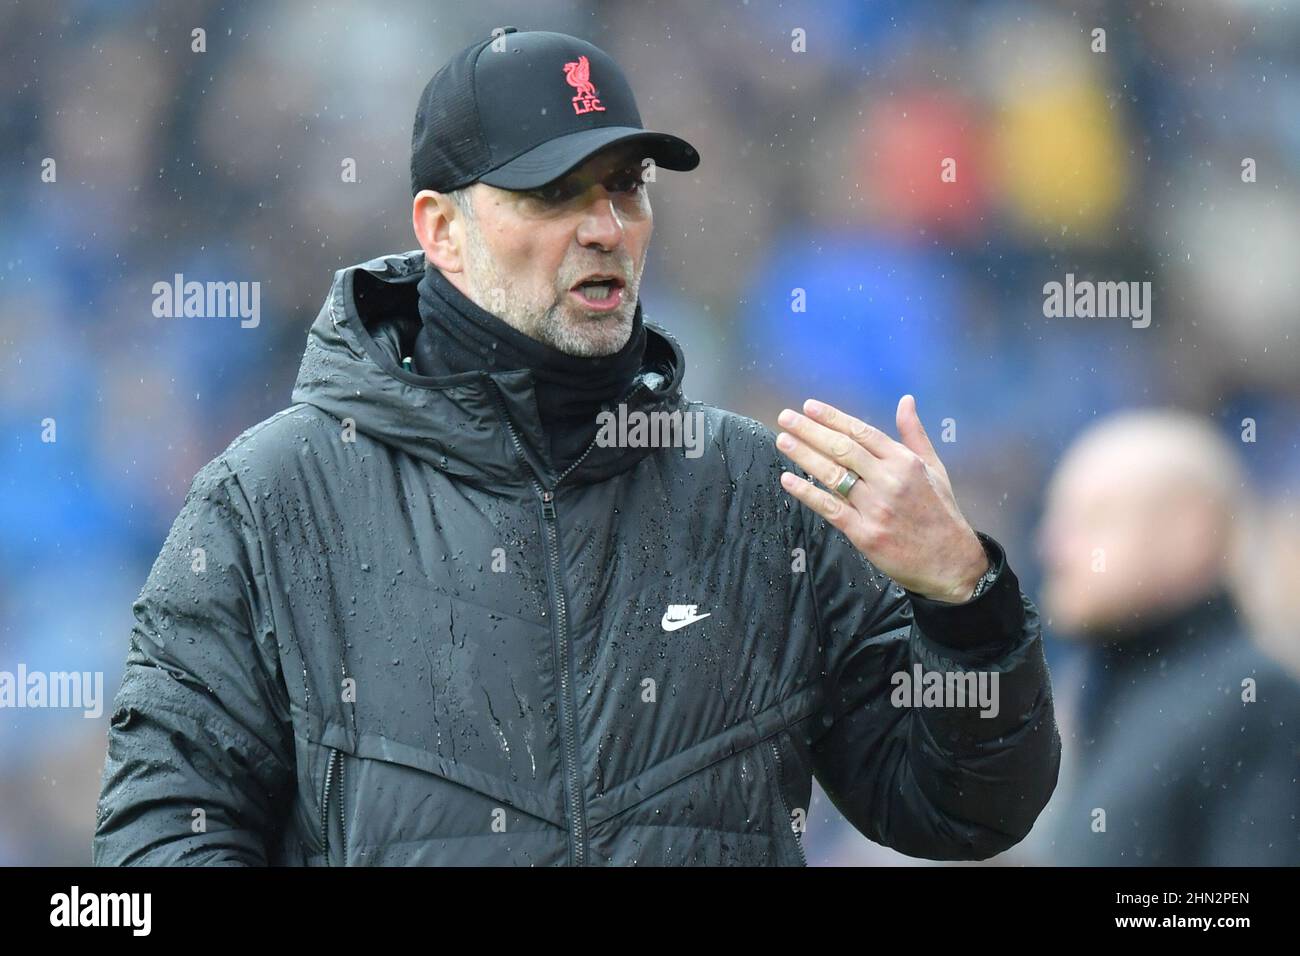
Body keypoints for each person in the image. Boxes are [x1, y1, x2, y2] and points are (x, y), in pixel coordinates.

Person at [92, 28, 1060, 866]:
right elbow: (160, 841)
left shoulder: (760, 496)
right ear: (442, 230)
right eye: (553, 192)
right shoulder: (269, 501)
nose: (605, 228)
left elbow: (958, 808)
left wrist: (963, 602)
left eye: (624, 188)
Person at [1034, 409, 1300, 865]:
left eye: (1093, 519)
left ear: (1191, 531)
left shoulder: (1257, 701)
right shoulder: (1097, 693)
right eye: (1054, 519)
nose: (1051, 547)